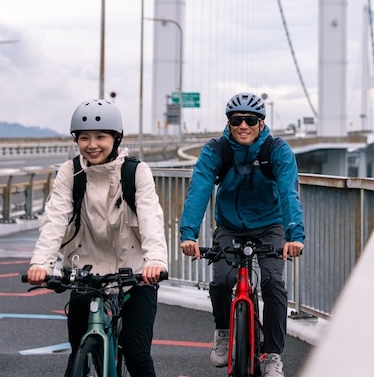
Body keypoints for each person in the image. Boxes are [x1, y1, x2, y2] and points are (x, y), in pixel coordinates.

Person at [27, 99, 168, 377]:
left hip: (136, 275)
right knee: (78, 350)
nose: (92, 145)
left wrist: (156, 261)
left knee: (136, 352)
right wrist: (41, 263)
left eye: (101, 137)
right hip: (86, 272)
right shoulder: (71, 172)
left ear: (116, 138)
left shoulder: (136, 172)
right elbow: (55, 217)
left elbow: (151, 218)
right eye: (84, 138)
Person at [180, 92, 305, 377]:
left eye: (251, 120)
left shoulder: (277, 150)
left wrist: (294, 236)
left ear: (261, 123)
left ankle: (273, 354)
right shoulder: (216, 150)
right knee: (223, 280)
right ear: (229, 123)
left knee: (273, 283)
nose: (243, 125)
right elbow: (199, 190)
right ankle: (224, 331)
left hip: (269, 225)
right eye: (237, 120)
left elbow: (288, 192)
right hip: (230, 227)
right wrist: (189, 234)